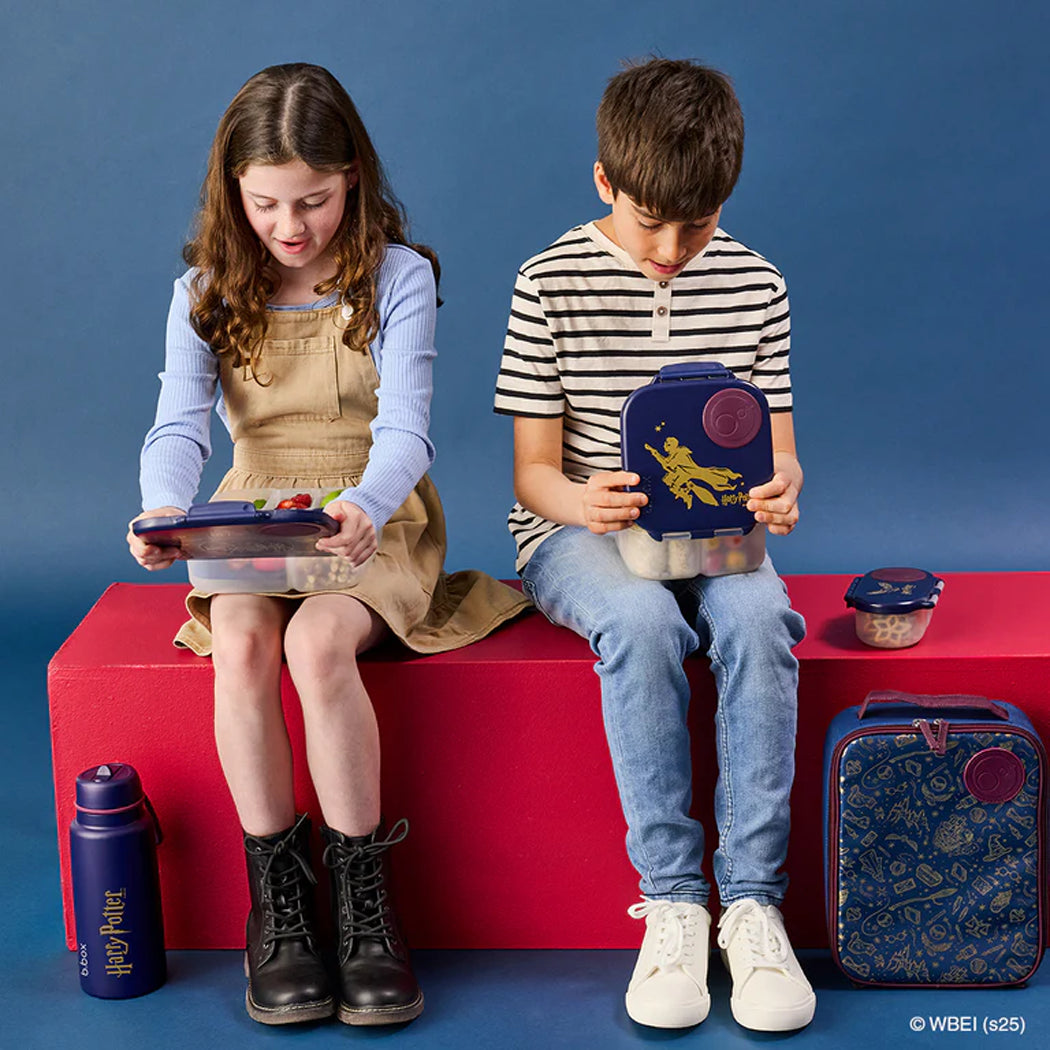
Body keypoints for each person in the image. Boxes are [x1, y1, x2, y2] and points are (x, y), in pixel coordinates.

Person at [127, 63, 529, 1028]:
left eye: (314, 199)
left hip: (367, 511)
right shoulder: (203, 289)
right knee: (246, 643)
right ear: (233, 192)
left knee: (317, 646)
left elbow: (406, 430)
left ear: (353, 177)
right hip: (253, 508)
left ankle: (364, 907)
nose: (291, 226)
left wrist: (365, 503)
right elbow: (180, 426)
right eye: (265, 203)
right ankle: (280, 905)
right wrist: (160, 512)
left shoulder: (399, 274)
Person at [494, 58, 815, 1032]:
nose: (673, 248)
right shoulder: (547, 283)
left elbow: (781, 452)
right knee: (638, 622)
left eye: (700, 223)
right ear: (603, 183)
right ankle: (675, 901)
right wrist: (582, 500)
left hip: (714, 526)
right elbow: (531, 474)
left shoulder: (758, 285)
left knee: (762, 619)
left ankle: (751, 905)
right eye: (649, 223)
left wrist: (783, 490)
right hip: (578, 530)